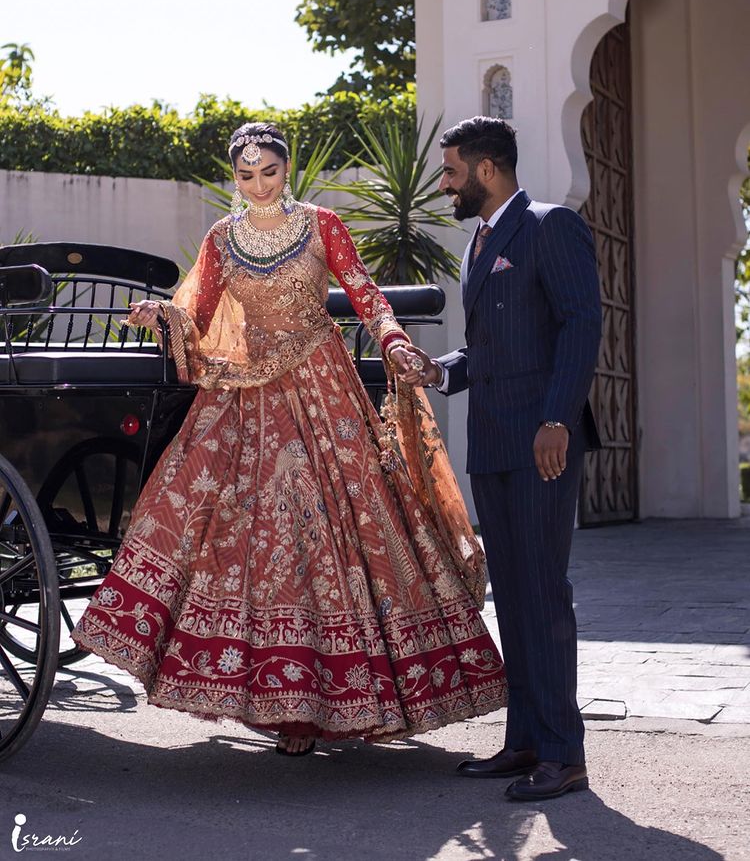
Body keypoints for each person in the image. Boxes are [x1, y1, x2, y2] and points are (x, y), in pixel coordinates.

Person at [71, 121, 507, 757]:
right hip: (246, 397)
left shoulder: (321, 226)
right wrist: (158, 314)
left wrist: (389, 338)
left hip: (321, 387)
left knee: (330, 526)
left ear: (288, 169)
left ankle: (344, 696)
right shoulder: (223, 239)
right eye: (245, 176)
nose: (257, 185)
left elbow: (365, 295)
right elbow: (195, 313)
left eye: (268, 173)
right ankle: (287, 703)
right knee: (237, 529)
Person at [402, 116, 602, 800]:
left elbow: (581, 323)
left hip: (542, 443)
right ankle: (524, 742)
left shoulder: (550, 226)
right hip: (491, 442)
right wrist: (443, 370)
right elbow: (495, 346)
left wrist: (558, 419)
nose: (446, 185)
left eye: (452, 171)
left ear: (488, 169)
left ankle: (563, 753)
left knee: (545, 594)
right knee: (512, 597)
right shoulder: (477, 243)